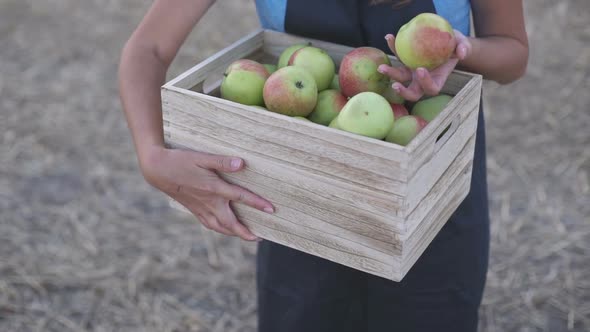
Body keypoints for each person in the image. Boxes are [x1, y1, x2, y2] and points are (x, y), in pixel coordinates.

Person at [118, 0, 528, 331]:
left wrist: (460, 49)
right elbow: (147, 48)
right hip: (305, 200)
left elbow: (513, 52)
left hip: (429, 189)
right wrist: (152, 157)